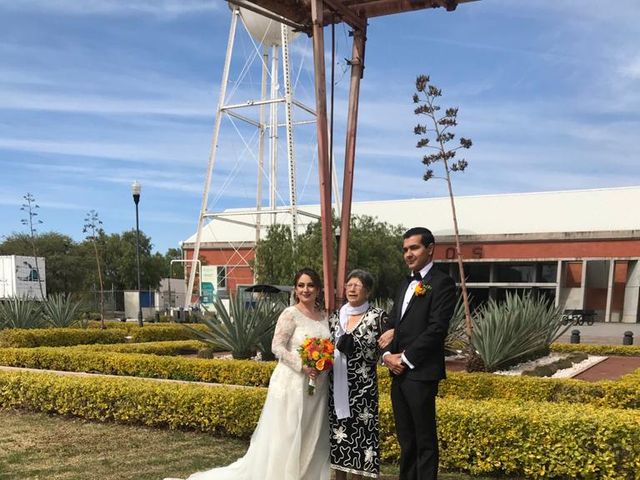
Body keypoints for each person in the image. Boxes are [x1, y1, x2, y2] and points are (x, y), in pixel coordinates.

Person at [169, 268, 331, 480]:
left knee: (311, 432)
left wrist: (322, 363)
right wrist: (303, 365)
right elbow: (277, 347)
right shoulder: (290, 314)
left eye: (310, 285)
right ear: (295, 289)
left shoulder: (324, 316)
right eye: (301, 285)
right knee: (288, 434)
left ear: (318, 289)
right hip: (292, 382)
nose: (306, 289)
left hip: (316, 387)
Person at [381, 227, 456, 480]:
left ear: (430, 249)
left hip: (421, 373)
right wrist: (387, 357)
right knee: (406, 440)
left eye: (414, 248)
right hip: (397, 374)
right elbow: (392, 325)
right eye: (405, 250)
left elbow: (436, 330)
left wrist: (405, 358)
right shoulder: (404, 283)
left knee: (424, 441)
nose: (408, 254)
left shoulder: (442, 282)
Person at [328, 269, 392, 480]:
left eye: (357, 285)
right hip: (335, 389)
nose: (352, 289)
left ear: (368, 291)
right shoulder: (336, 317)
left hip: (362, 391)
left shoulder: (378, 317)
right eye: (349, 285)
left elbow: (389, 346)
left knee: (361, 438)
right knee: (338, 438)